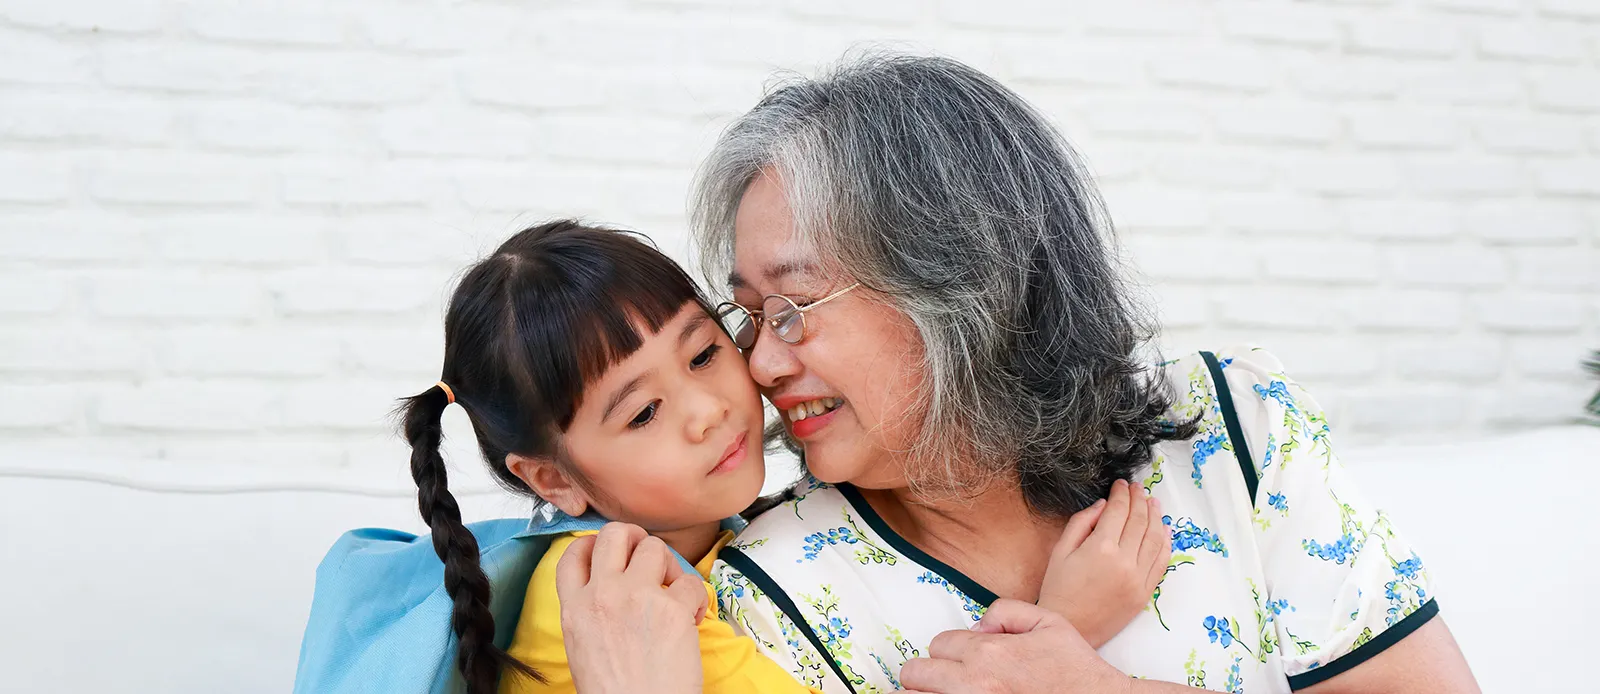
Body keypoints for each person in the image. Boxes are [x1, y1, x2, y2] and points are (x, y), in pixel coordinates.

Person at [555, 54, 1481, 693]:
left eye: (794, 306)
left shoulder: (1233, 426)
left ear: (961, 283)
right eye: (750, 316)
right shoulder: (777, 590)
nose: (760, 361)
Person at [332, 219, 1168, 694]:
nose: (709, 409)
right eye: (645, 412)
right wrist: (1061, 628)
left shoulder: (736, 542)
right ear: (552, 478)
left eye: (702, 353)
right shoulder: (609, 590)